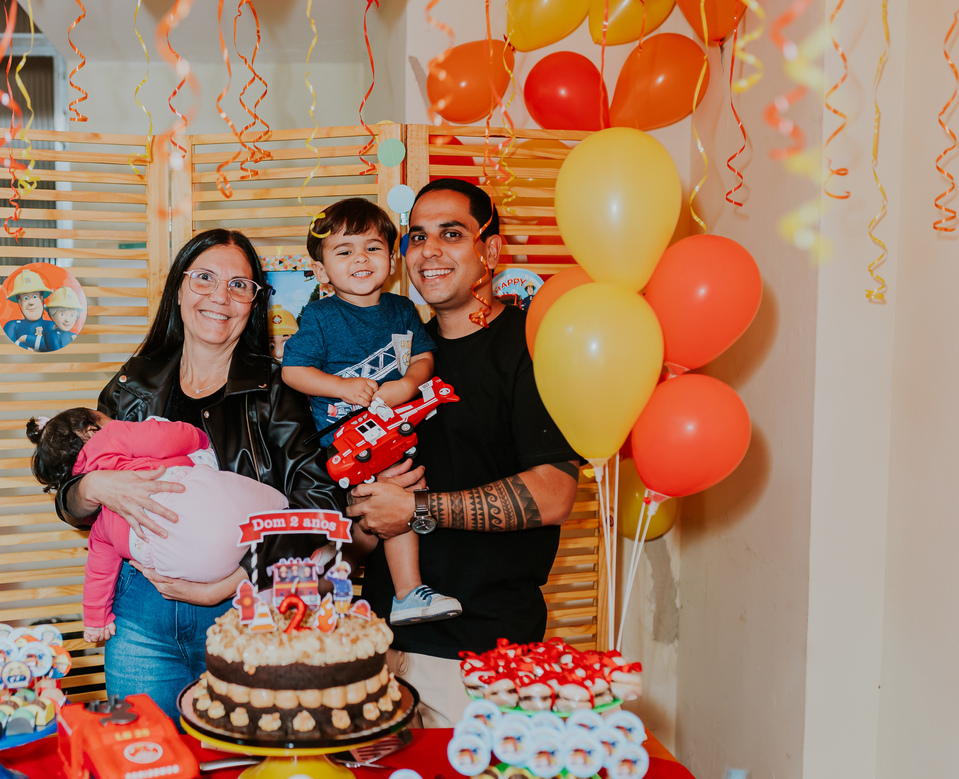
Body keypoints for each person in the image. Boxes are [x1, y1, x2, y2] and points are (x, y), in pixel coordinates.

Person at [53, 229, 343, 719]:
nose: (219, 296)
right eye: (204, 278)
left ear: (254, 301)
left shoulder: (277, 387)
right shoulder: (133, 383)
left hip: (245, 611)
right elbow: (74, 504)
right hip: (140, 618)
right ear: (179, 288)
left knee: (244, 775)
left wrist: (231, 583)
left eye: (239, 285)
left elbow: (320, 511)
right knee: (149, 767)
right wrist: (93, 486)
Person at [347, 179, 581, 727]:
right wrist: (365, 519)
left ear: (490, 251)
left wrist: (416, 509)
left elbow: (554, 493)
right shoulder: (398, 358)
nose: (429, 251)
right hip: (379, 646)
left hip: (482, 656)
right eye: (416, 237)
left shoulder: (533, 347)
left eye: (452, 234)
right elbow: (367, 517)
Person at [280, 197, 461, 627]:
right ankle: (406, 591)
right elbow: (293, 371)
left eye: (373, 247)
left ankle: (327, 567)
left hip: (393, 430)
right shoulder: (320, 316)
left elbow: (424, 358)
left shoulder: (402, 310)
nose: (360, 258)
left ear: (392, 261)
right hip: (349, 439)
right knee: (392, 501)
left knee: (381, 513)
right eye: (344, 251)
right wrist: (341, 387)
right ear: (322, 271)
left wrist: (407, 383)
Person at [25, 408, 287, 643]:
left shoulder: (102, 523)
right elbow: (164, 438)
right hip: (206, 510)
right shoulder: (111, 435)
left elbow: (98, 572)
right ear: (93, 428)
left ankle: (255, 602)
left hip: (189, 568)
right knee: (278, 508)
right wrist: (200, 438)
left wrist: (96, 620)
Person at [2, 269, 55, 351]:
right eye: (26, 298)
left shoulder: (51, 325)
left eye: (34, 296)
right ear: (20, 302)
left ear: (41, 298)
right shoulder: (12, 326)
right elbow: (7, 349)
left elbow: (54, 346)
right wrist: (29, 348)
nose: (31, 302)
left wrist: (25, 339)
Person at [43, 286, 84, 351]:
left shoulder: (74, 336)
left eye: (72, 315)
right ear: (52, 314)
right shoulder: (52, 335)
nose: (67, 320)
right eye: (62, 314)